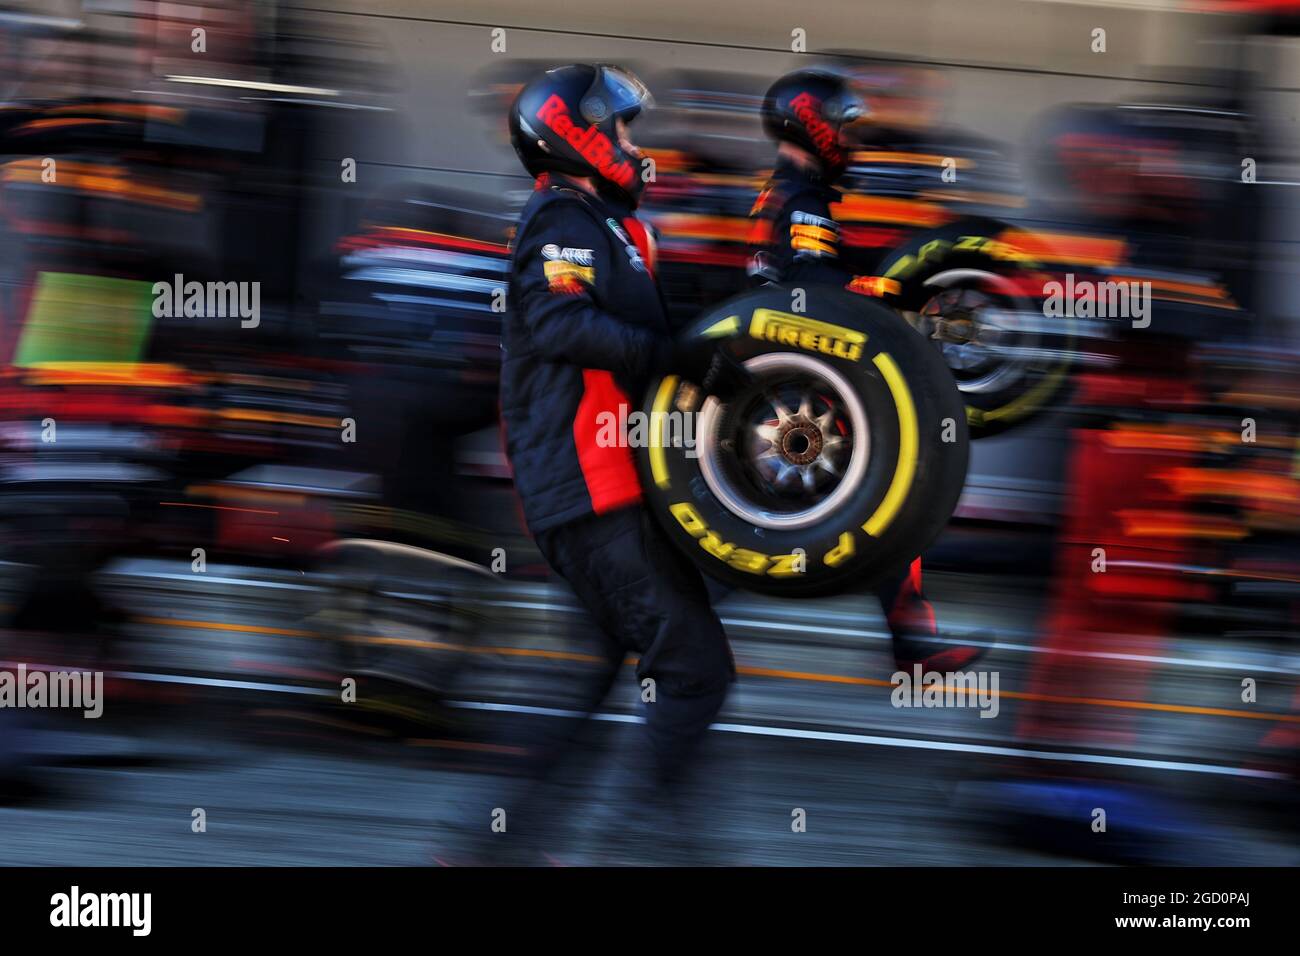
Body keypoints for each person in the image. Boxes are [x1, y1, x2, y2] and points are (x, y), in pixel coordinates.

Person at [476, 63, 748, 862]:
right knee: (695, 670)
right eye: (623, 127)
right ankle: (638, 849)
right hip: (593, 493)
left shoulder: (611, 227)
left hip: (614, 493)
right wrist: (678, 357)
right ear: (579, 134)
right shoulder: (563, 217)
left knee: (594, 674)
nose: (634, 144)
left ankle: (494, 848)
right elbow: (562, 324)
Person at [749, 67, 984, 672]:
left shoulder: (789, 193)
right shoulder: (801, 199)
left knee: (865, 505)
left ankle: (912, 643)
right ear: (814, 125)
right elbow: (814, 289)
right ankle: (912, 645)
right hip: (801, 392)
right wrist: (892, 291)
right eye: (844, 128)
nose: (851, 140)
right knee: (888, 500)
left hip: (794, 382)